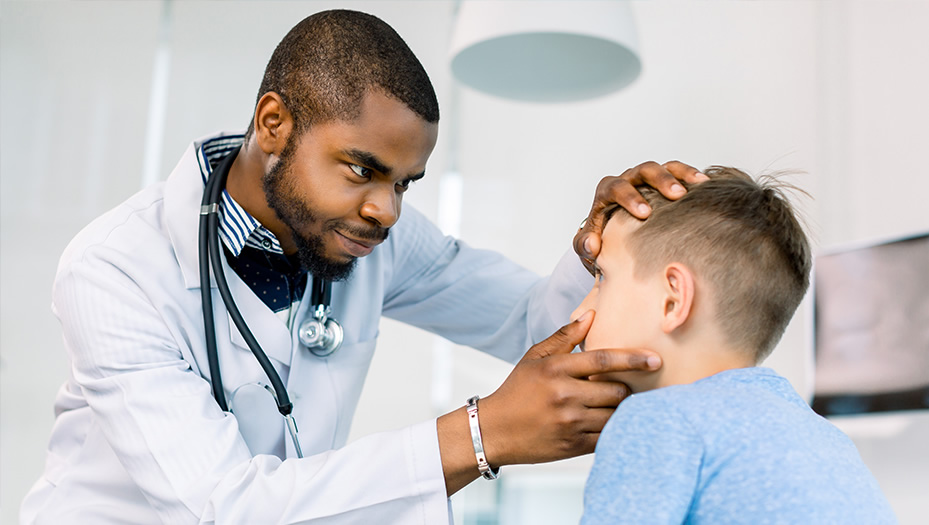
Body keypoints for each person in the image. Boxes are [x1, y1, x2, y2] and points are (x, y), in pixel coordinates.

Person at [20, 10, 705, 524]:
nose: (386, 211)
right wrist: (480, 432)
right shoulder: (115, 270)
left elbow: (529, 322)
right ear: (273, 123)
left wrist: (596, 246)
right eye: (361, 169)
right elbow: (221, 506)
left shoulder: (366, 236)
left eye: (405, 182)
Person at [575, 167, 897, 524]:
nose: (579, 309)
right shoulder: (828, 440)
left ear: (673, 299)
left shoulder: (658, 419)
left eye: (602, 277)